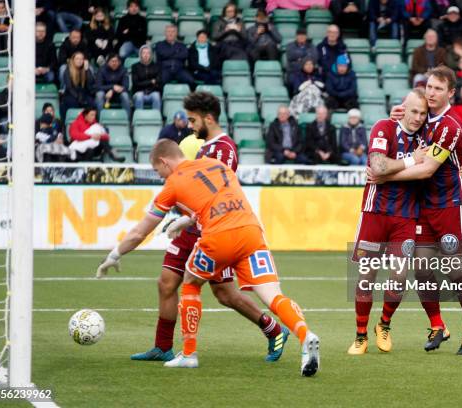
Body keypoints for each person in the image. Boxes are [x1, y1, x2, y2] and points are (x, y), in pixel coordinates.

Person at [96, 148, 320, 375]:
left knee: (191, 282)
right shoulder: (217, 165)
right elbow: (216, 199)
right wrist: (186, 220)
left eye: (158, 170)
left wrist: (115, 254)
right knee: (274, 297)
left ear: (164, 161)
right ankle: (305, 335)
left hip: (218, 236)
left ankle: (189, 354)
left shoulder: (173, 184)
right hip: (252, 232)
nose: (160, 176)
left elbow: (139, 232)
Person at [129, 92, 288, 364]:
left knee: (224, 293)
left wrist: (188, 217)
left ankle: (273, 329)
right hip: (192, 226)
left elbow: (218, 193)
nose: (189, 125)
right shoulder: (203, 147)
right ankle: (162, 346)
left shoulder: (225, 149)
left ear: (207, 118)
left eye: (192, 120)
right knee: (166, 282)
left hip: (213, 230)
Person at [375, 65, 462, 355]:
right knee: (422, 268)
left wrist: (383, 176)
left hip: (451, 203)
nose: (431, 93)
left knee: (457, 270)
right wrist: (393, 117)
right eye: (429, 87)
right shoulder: (422, 117)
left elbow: (426, 170)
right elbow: (396, 135)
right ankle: (438, 325)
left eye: (438, 89)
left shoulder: (450, 125)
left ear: (451, 93)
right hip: (424, 205)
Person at [347, 88, 428, 355]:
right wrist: (409, 161)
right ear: (402, 108)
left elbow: (421, 172)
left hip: (405, 218)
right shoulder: (384, 127)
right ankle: (360, 335)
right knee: (366, 277)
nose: (417, 118)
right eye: (413, 111)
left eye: (423, 113)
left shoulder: (426, 139)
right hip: (374, 214)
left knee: (399, 276)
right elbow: (378, 166)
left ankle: (384, 324)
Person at [61, 51, 96, 121]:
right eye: (77, 59)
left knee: (91, 103)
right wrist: (77, 97)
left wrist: (87, 70)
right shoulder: (68, 70)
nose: (79, 61)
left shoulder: (86, 70)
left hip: (84, 93)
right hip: (71, 94)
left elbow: (91, 83)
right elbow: (69, 87)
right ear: (73, 60)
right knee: (72, 102)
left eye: (81, 59)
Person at [95, 54, 132, 119]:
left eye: (116, 61)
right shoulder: (102, 70)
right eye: (112, 61)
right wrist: (112, 87)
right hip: (105, 94)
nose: (114, 63)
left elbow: (126, 86)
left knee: (125, 95)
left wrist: (113, 90)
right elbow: (98, 86)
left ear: (119, 62)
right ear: (108, 62)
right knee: (99, 94)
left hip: (118, 94)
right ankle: (100, 119)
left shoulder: (123, 70)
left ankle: (127, 120)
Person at [131, 45, 162, 111]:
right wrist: (151, 82)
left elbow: (158, 81)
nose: (146, 55)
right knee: (139, 96)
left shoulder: (156, 66)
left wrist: (144, 83)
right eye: (144, 53)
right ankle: (139, 118)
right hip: (139, 92)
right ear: (140, 54)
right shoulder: (135, 67)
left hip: (152, 92)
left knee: (156, 96)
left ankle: (156, 118)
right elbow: (136, 83)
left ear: (151, 55)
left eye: (148, 53)